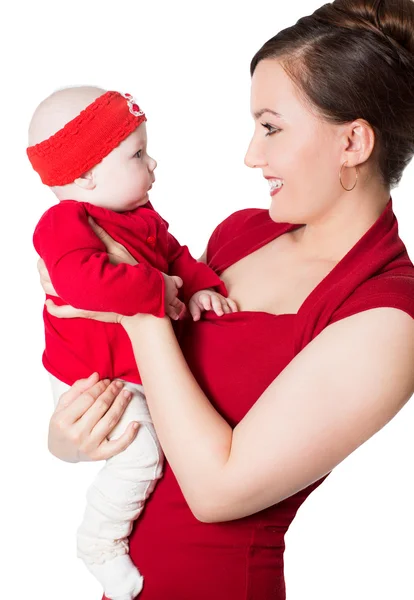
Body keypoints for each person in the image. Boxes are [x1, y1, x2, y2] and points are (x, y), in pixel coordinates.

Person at [39, 0, 414, 597]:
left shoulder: (386, 317)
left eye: (271, 127)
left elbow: (216, 492)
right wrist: (75, 435)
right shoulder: (241, 231)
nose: (250, 155)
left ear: (354, 142)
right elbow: (155, 396)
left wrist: (141, 308)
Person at [27, 86, 236, 600]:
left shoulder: (139, 217)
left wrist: (203, 284)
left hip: (131, 368)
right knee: (141, 455)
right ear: (85, 176)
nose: (154, 164)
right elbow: (80, 282)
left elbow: (176, 253)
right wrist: (157, 288)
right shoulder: (63, 223)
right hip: (90, 377)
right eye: (137, 155)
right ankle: (99, 540)